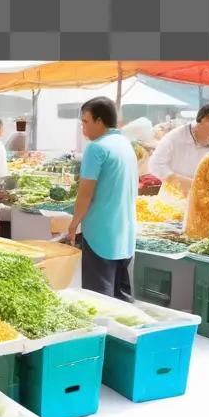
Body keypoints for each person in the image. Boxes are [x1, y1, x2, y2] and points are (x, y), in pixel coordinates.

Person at [66, 97, 139, 301]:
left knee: (100, 301)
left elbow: (85, 193)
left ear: (100, 121)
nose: (83, 128)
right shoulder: (125, 144)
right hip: (125, 234)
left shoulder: (96, 148)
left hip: (101, 234)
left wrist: (73, 224)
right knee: (122, 298)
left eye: (86, 122)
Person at [147, 103, 209, 192]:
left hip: (201, 197)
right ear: (201, 121)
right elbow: (155, 164)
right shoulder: (175, 137)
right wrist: (176, 179)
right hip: (172, 198)